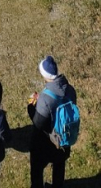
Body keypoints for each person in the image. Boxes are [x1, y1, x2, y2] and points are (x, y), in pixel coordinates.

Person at [28, 54, 78, 188]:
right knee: (59, 165)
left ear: (46, 76)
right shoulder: (70, 90)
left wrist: (32, 106)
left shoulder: (45, 98)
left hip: (47, 143)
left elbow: (38, 124)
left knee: (37, 168)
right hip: (64, 139)